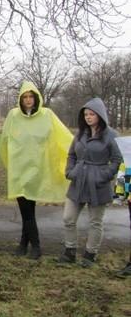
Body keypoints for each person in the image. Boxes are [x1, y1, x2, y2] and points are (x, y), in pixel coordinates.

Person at [0, 81, 73, 260]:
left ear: (36, 97)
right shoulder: (13, 116)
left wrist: (76, 150)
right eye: (25, 97)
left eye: (31, 96)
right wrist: (11, 164)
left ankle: (30, 245)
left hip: (37, 170)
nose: (28, 100)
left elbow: (62, 135)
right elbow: (4, 141)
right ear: (20, 99)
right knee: (26, 210)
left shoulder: (47, 115)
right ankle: (30, 246)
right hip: (19, 170)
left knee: (29, 211)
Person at [58, 98, 122, 267]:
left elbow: (117, 160)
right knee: (68, 218)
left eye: (91, 114)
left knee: (95, 221)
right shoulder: (80, 134)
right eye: (85, 114)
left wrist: (103, 175)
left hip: (98, 184)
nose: (88, 117)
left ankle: (90, 255)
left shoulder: (111, 135)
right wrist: (70, 171)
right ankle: (69, 252)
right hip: (78, 180)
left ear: (100, 115)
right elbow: (71, 154)